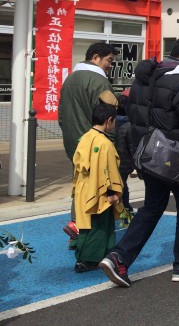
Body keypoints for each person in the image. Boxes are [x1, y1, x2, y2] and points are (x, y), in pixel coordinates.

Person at [100, 34, 179, 288]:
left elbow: (135, 116)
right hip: (176, 158)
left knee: (151, 208)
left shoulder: (144, 77)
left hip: (148, 155)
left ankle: (119, 257)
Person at [59, 42, 119, 242]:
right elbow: (108, 116)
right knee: (98, 190)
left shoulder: (70, 79)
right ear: (95, 58)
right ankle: (88, 236)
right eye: (109, 60)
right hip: (95, 143)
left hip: (73, 142)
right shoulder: (99, 82)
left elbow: (61, 114)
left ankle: (75, 229)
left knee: (81, 185)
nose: (110, 65)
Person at [72, 102, 124, 273]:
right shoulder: (105, 143)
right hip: (99, 189)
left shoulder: (84, 137)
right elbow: (107, 171)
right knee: (100, 226)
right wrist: (112, 192)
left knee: (87, 224)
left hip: (83, 186)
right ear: (109, 121)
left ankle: (84, 256)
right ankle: (91, 259)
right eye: (114, 121)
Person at [115, 91, 136, 213]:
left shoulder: (111, 123)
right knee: (123, 187)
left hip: (113, 162)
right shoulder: (129, 126)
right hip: (125, 163)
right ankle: (125, 209)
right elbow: (132, 148)